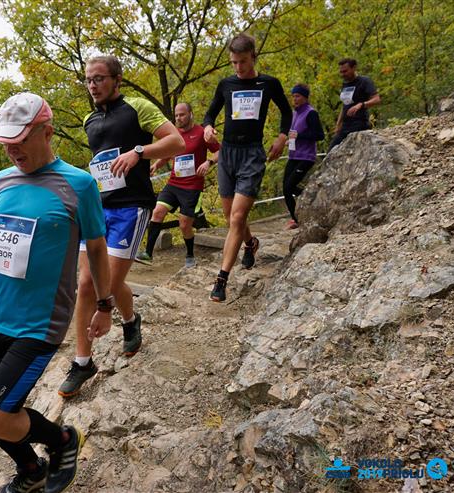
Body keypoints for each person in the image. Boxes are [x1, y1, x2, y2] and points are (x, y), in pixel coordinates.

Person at [0, 92, 112, 493]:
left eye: (19, 140)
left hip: (40, 323)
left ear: (46, 132)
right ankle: (33, 470)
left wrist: (104, 305)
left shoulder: (79, 184)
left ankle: (63, 441)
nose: (12, 150)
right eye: (6, 143)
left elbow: (97, 247)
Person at [57, 55, 185, 398]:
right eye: (88, 79)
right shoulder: (89, 120)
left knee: (105, 285)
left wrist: (138, 152)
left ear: (117, 80)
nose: (93, 85)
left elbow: (177, 142)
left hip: (132, 206)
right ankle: (99, 348)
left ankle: (102, 339)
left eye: (99, 78)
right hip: (99, 207)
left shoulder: (137, 107)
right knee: (87, 282)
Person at [202, 33, 292, 302]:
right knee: (232, 217)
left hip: (252, 154)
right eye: (233, 62)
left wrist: (282, 137)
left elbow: (287, 112)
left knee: (237, 217)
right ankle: (250, 243)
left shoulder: (269, 83)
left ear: (253, 57)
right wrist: (207, 127)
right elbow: (210, 113)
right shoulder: (226, 84)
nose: (238, 67)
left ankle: (221, 280)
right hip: (227, 153)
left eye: (242, 62)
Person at [136, 102, 220, 268]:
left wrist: (209, 162)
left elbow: (220, 150)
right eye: (176, 115)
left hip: (192, 187)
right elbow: (167, 153)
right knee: (157, 212)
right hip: (174, 184)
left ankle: (190, 255)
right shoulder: (174, 134)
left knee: (184, 224)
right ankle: (148, 253)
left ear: (190, 114)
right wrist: (156, 165)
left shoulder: (202, 132)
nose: (178, 118)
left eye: (182, 114)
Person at [284, 84, 325, 229]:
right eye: (293, 96)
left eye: (298, 96)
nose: (294, 99)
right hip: (293, 155)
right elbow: (294, 134)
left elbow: (319, 135)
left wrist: (299, 136)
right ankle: (296, 219)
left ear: (305, 97)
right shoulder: (294, 113)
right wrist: (289, 140)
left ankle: (309, 202)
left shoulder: (311, 113)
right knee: (286, 189)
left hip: (306, 157)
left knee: (289, 187)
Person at [328, 58, 380, 151]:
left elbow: (376, 99)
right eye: (341, 72)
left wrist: (361, 104)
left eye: (345, 71)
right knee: (331, 151)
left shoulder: (364, 81)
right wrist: (338, 124)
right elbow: (344, 105)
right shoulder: (345, 84)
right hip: (345, 126)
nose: (343, 74)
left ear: (354, 68)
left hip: (359, 124)